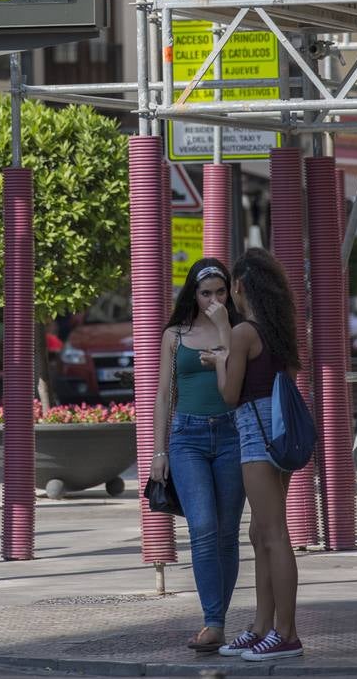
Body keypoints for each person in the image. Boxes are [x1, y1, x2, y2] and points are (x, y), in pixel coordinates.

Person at [203, 248, 304, 662]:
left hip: (255, 435)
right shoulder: (280, 331)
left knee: (273, 534)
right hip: (279, 432)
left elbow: (229, 395)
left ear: (241, 286)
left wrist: (220, 355)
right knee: (259, 533)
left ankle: (286, 633)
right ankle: (262, 626)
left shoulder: (244, 333)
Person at [150, 258, 244, 654]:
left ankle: (216, 622)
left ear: (229, 292)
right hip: (186, 437)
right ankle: (213, 621)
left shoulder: (238, 332)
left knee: (227, 532)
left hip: (232, 434)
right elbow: (163, 394)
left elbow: (240, 386)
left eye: (219, 292)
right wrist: (159, 450)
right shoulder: (175, 334)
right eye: (205, 292)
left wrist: (224, 329)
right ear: (193, 293)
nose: (212, 299)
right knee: (203, 526)